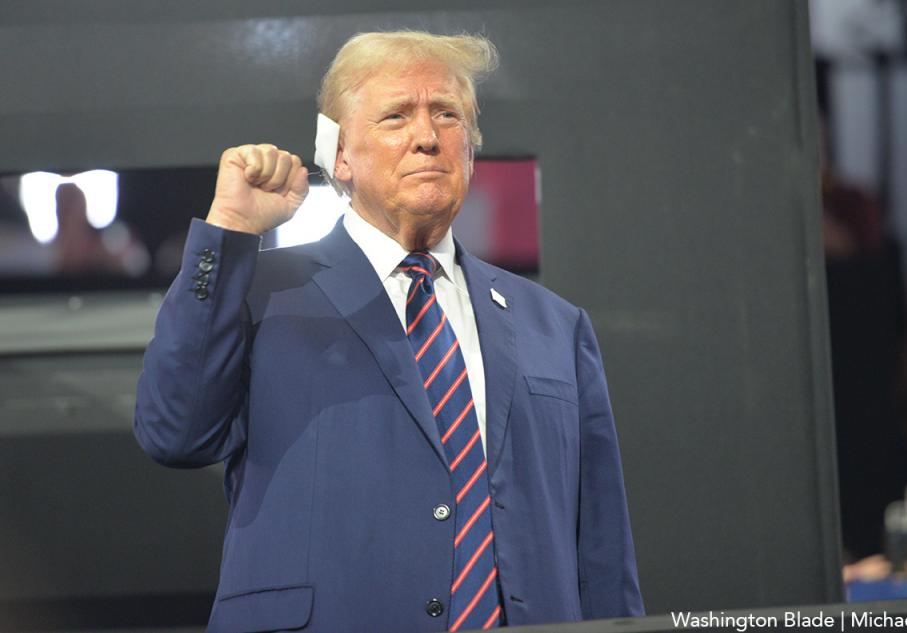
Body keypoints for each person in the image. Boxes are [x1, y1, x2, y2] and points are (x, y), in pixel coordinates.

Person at [134, 30, 643, 632]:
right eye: (396, 116)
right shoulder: (260, 294)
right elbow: (174, 433)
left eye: (447, 115)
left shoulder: (555, 325)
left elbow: (602, 544)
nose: (427, 137)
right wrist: (230, 229)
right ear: (341, 155)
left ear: (471, 149)